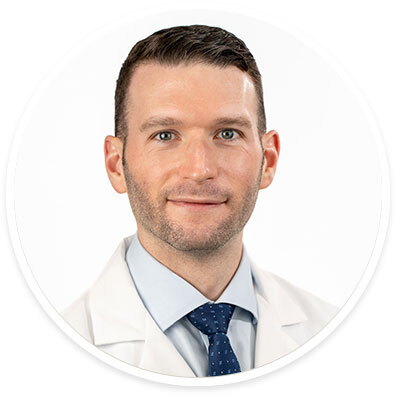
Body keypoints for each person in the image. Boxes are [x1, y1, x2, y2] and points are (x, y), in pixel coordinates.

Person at [62, 24, 338, 378]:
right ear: (116, 165)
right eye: (165, 135)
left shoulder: (338, 336)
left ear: (268, 159)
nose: (199, 169)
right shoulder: (47, 355)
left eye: (227, 134)